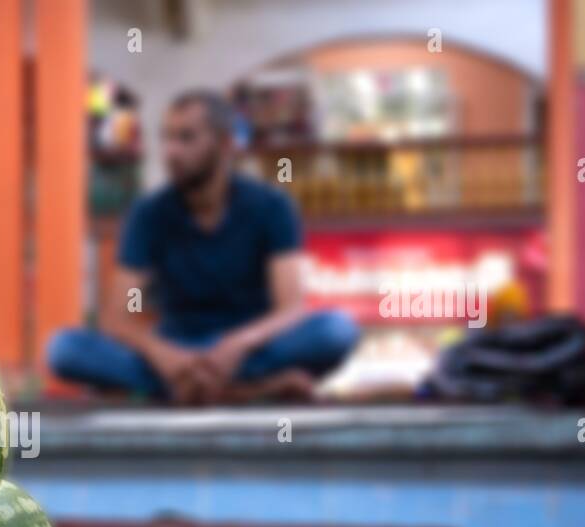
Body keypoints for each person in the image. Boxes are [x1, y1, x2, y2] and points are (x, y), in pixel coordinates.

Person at [48, 90, 359, 404]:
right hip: (177, 350)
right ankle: (245, 389)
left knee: (336, 331)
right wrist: (163, 355)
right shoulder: (149, 215)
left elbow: (291, 308)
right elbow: (120, 317)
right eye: (167, 138)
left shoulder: (271, 207)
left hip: (250, 348)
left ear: (224, 145)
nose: (172, 152)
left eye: (186, 138)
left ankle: (189, 389)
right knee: (64, 349)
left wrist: (236, 345)